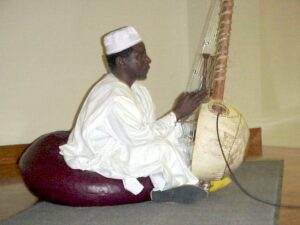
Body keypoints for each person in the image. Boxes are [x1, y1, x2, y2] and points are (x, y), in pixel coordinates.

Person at [59, 26, 207, 203]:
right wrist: (176, 113)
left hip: (124, 147)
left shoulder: (138, 92)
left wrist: (182, 118)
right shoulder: (114, 96)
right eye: (141, 56)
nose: (149, 60)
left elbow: (149, 131)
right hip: (101, 157)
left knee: (176, 144)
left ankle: (165, 188)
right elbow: (142, 138)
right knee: (163, 150)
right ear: (122, 61)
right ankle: (189, 187)